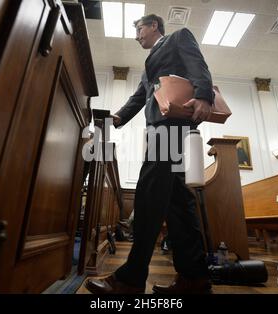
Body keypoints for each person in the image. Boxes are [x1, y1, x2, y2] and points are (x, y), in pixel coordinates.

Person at [85, 14, 215, 294]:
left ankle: (130, 279)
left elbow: (198, 65)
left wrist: (204, 95)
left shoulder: (178, 38)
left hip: (172, 125)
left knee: (148, 193)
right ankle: (194, 278)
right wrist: (115, 119)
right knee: (177, 201)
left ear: (154, 25)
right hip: (160, 128)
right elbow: (138, 98)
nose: (137, 35)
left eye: (140, 29)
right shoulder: (148, 69)